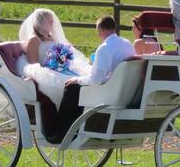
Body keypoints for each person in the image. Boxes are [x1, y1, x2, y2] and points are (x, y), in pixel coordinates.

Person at [53, 15, 136, 143]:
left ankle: (62, 131)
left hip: (108, 93)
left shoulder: (104, 48)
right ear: (114, 28)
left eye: (98, 32)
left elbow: (96, 80)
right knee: (76, 85)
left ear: (102, 30)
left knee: (71, 88)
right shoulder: (127, 44)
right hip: (125, 90)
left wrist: (78, 80)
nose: (99, 36)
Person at [16, 8, 91, 107]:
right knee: (66, 82)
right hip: (43, 70)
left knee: (80, 76)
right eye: (49, 21)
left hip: (57, 67)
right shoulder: (34, 40)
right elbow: (33, 62)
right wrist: (52, 66)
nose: (52, 23)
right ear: (40, 23)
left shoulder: (51, 37)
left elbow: (62, 51)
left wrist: (62, 60)